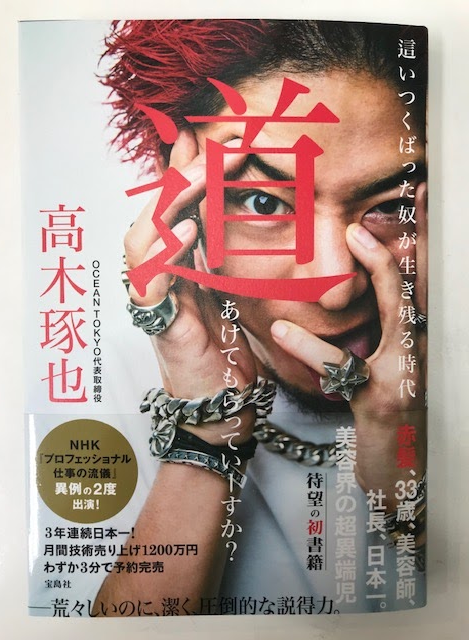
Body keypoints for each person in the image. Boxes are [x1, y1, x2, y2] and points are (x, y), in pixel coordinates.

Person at [94, 19, 427, 615]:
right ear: (183, 207)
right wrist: (206, 431)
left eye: (390, 206)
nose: (336, 286)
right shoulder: (104, 384)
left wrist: (407, 489)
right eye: (262, 202)